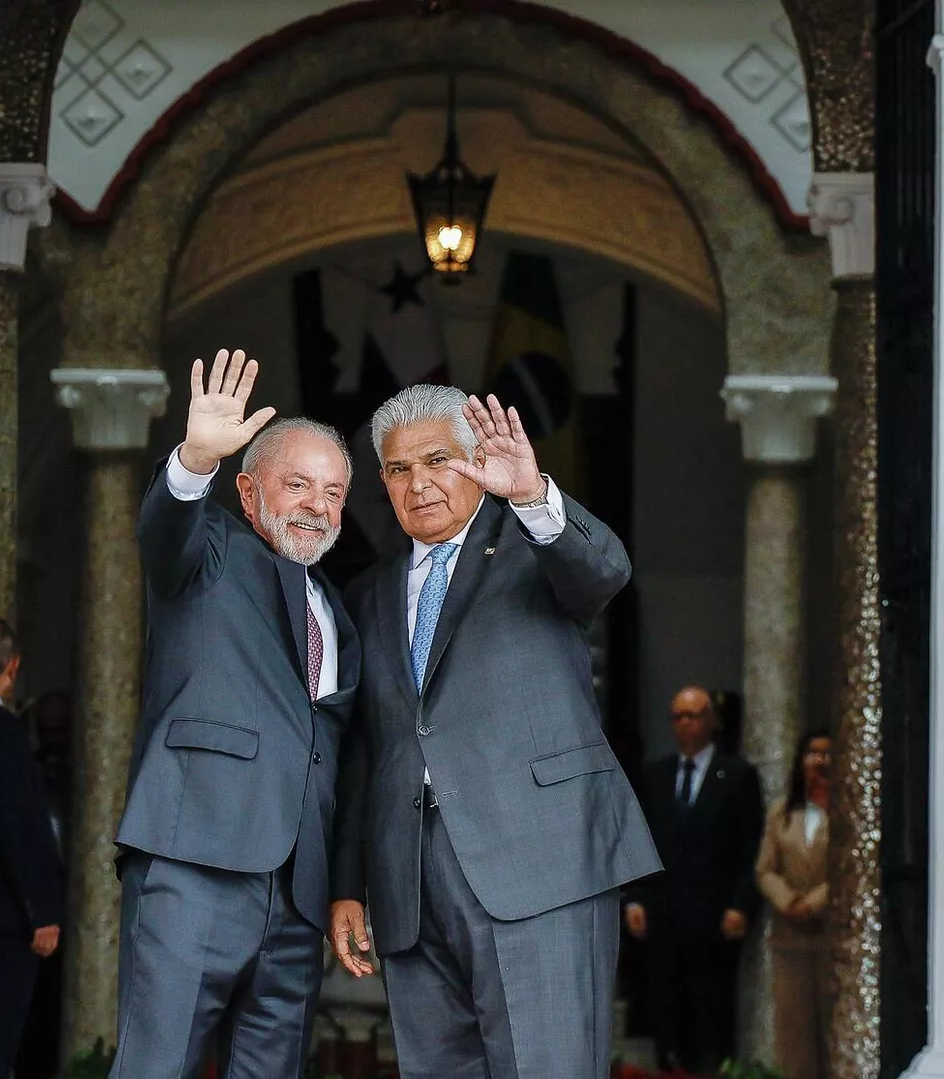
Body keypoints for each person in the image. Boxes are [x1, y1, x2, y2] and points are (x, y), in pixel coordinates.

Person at [329, 385, 659, 1078]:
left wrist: (534, 493)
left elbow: (606, 571)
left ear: (477, 459)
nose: (418, 483)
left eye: (437, 459)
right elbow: (366, 748)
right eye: (397, 468)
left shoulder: (532, 546)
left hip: (538, 861)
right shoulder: (366, 593)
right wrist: (349, 883)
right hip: (409, 882)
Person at [112, 349, 360, 1078]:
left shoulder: (337, 611)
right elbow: (164, 527)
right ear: (248, 492)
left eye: (335, 491)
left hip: (295, 895)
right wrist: (194, 457)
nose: (318, 503)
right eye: (299, 483)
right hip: (195, 865)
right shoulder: (208, 551)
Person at [624, 685, 764, 1074]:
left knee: (712, 1009)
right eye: (678, 716)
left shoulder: (736, 775)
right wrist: (634, 898)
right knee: (667, 1008)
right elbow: (639, 840)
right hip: (664, 912)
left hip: (713, 914)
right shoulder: (656, 774)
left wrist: (741, 904)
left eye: (694, 715)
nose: (685, 724)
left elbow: (749, 845)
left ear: (711, 721)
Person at [0, 617, 64, 1079]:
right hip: (5, 919)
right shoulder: (1, 729)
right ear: (14, 666)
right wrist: (43, 911)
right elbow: (20, 826)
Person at [757, 730, 834, 1079]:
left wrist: (814, 903)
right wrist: (788, 901)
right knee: (794, 1035)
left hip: (831, 935)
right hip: (789, 935)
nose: (819, 760)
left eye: (827, 753)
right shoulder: (781, 813)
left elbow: (854, 869)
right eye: (812, 753)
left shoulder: (849, 811)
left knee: (832, 1029)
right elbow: (765, 869)